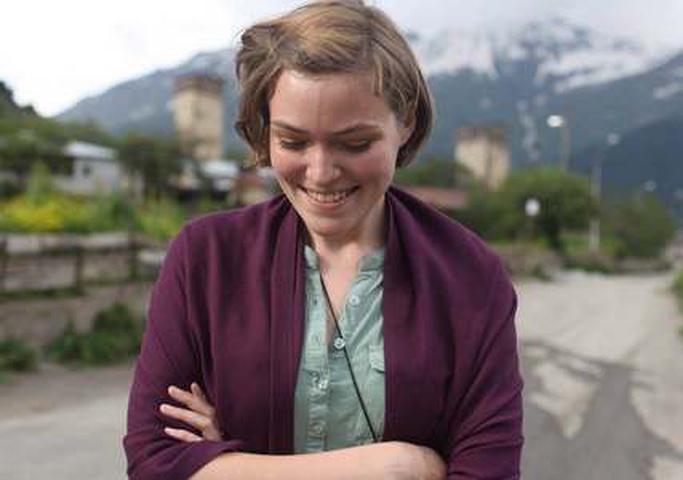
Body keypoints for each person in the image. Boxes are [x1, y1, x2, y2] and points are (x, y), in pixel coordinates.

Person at [123, 1, 523, 478]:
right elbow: (155, 463)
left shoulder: (471, 276)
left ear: (406, 123)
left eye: (355, 143)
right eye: (292, 142)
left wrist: (228, 464)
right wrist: (401, 465)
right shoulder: (204, 258)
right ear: (264, 129)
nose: (320, 172)